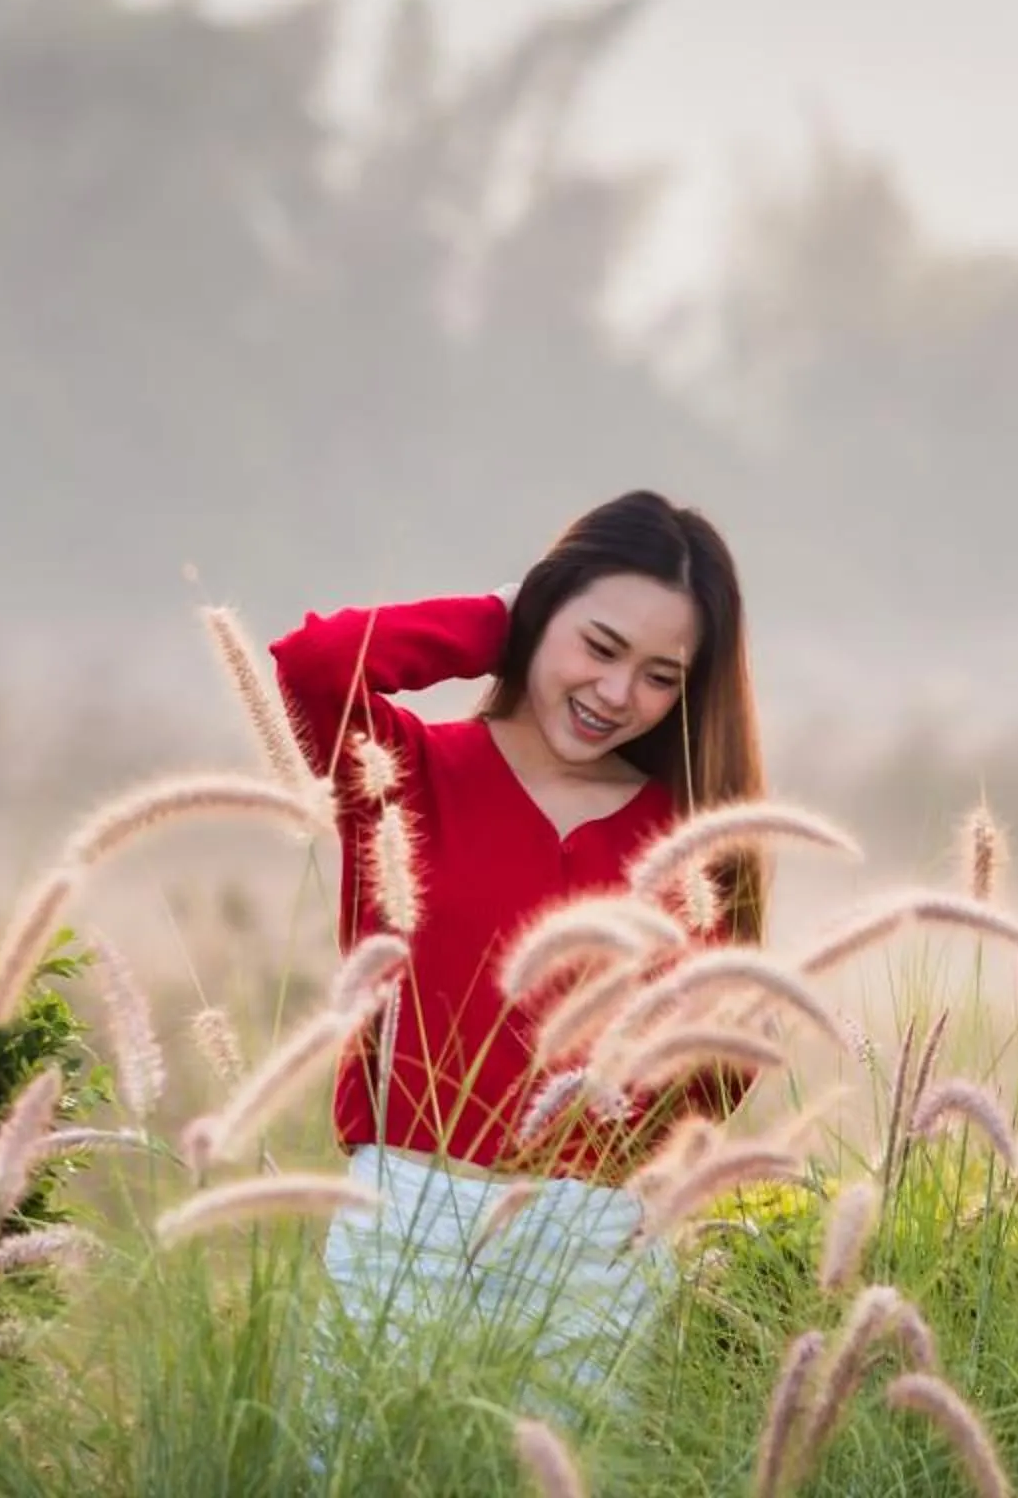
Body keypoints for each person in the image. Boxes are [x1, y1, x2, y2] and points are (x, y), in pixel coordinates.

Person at [268, 489, 764, 1418]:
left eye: (662, 675)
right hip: (406, 1216)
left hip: (595, 1242)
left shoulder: (692, 837)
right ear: (541, 616)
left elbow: (715, 1074)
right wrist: (499, 614)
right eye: (600, 646)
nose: (618, 695)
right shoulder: (404, 771)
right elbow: (313, 664)